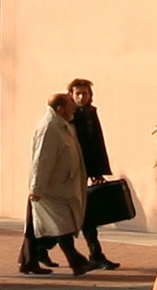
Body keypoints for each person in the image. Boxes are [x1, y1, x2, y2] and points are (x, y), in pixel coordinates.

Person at [20, 90, 98, 276]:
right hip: (51, 188)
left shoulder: (63, 126)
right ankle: (77, 262)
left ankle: (28, 261)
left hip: (61, 186)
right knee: (61, 225)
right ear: (60, 108)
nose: (74, 108)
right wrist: (37, 188)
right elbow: (42, 160)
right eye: (71, 105)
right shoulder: (49, 128)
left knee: (39, 226)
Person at [66, 78, 125, 268]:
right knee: (64, 215)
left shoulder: (90, 113)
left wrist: (98, 171)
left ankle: (95, 254)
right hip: (70, 173)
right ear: (71, 95)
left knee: (86, 214)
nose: (81, 97)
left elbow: (96, 144)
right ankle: (38, 249)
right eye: (78, 93)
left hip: (85, 171)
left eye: (85, 93)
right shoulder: (68, 116)